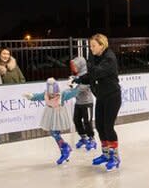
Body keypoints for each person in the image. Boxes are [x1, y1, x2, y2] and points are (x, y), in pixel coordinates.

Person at [73, 33, 121, 171]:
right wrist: (79, 79)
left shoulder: (109, 58)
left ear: (102, 45)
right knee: (99, 126)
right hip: (101, 96)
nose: (91, 48)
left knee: (108, 127)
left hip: (112, 97)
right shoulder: (96, 57)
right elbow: (91, 76)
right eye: (90, 46)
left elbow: (97, 72)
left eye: (93, 46)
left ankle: (115, 157)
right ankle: (106, 154)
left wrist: (89, 62)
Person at [26, 78, 75, 164]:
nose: (52, 96)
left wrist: (76, 86)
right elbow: (38, 96)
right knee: (55, 133)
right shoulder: (46, 94)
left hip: (59, 115)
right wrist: (31, 96)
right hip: (50, 115)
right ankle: (64, 150)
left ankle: (65, 148)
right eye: (51, 94)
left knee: (54, 133)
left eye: (54, 94)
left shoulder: (62, 95)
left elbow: (72, 93)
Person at [68, 56, 97, 148]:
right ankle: (83, 137)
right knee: (76, 120)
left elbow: (82, 87)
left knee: (87, 122)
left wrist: (73, 87)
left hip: (87, 103)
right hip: (78, 103)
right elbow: (76, 83)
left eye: (75, 66)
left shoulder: (87, 75)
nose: (74, 68)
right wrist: (73, 81)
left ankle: (92, 139)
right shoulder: (78, 75)